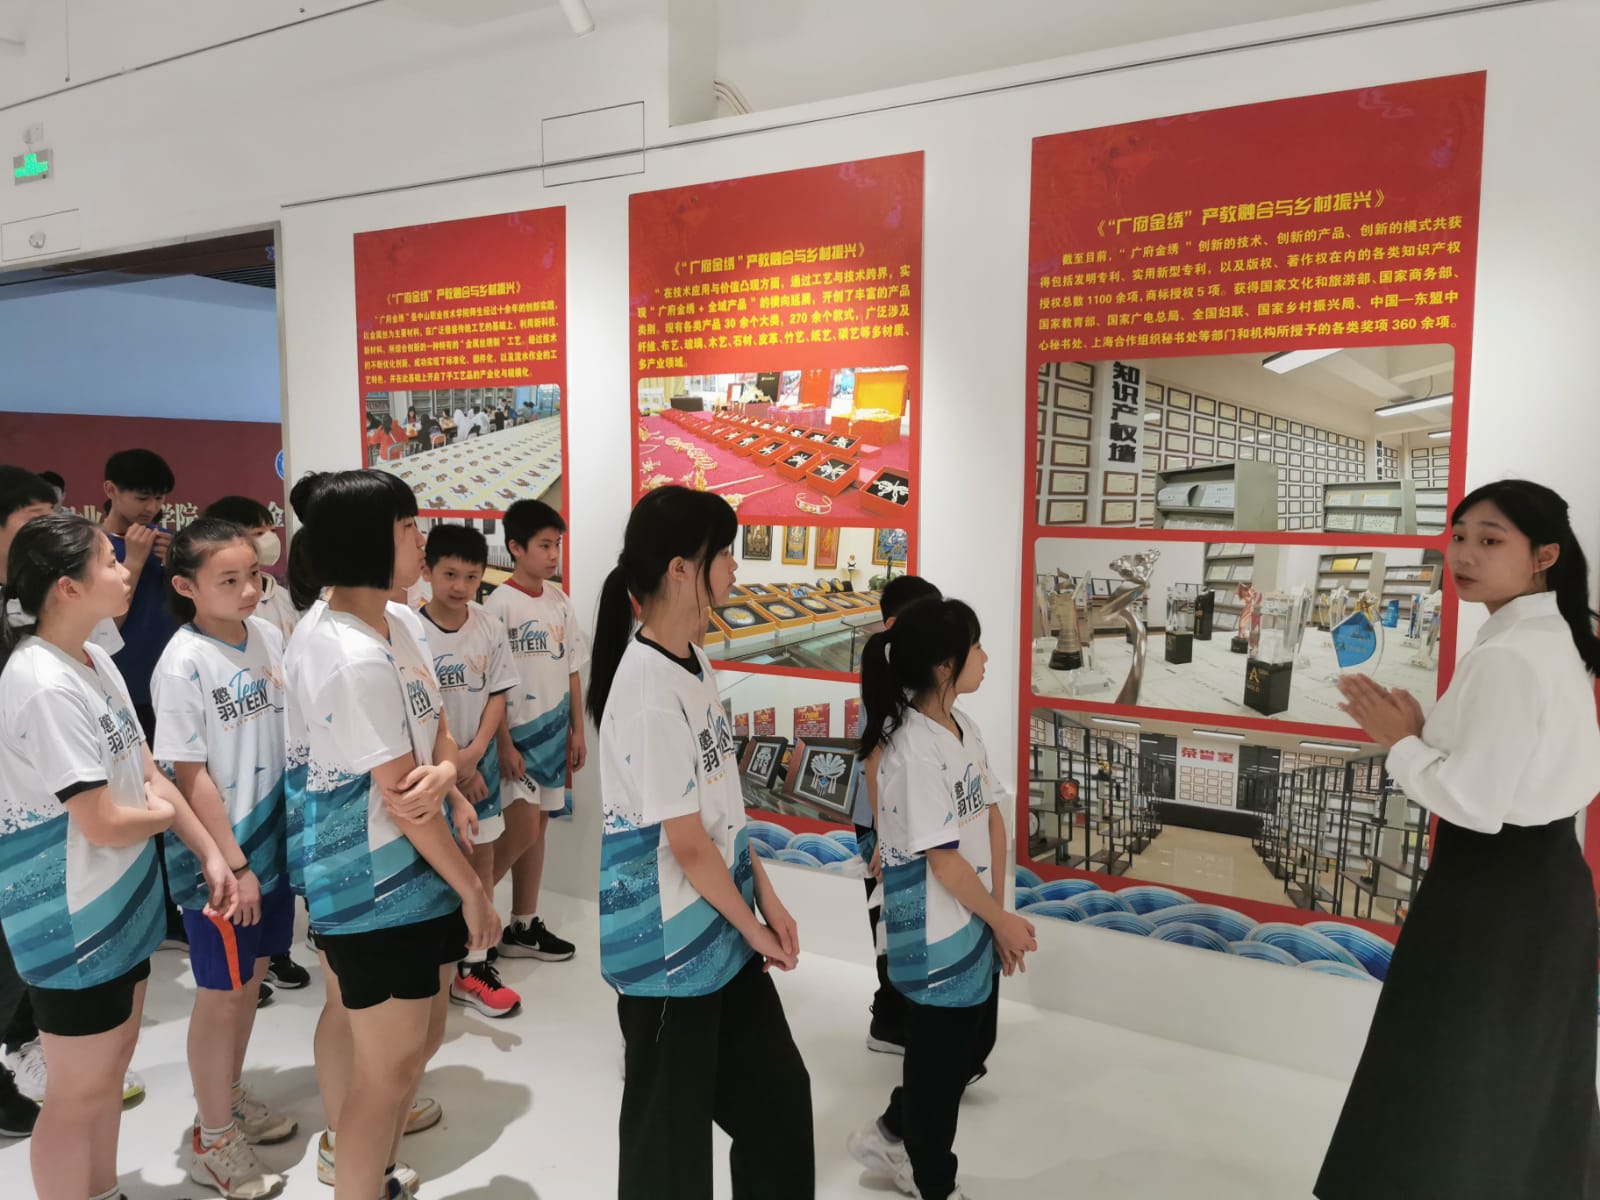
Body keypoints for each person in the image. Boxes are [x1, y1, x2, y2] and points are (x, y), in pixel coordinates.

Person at [1315, 479, 1600, 1200]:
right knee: (1521, 1078)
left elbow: (1475, 802)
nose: (1465, 555)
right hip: (1545, 883)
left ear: (1544, 556)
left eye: (1490, 540)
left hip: (1492, 893)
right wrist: (1424, 735)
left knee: (1450, 1074)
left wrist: (1401, 743)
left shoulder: (1508, 654)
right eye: (1459, 536)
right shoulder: (1547, 636)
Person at [0, 512, 238, 1200]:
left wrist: (209, 851)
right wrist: (165, 817)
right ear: (67, 588)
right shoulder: (41, 682)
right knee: (76, 1092)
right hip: (72, 918)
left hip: (123, 904)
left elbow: (149, 771)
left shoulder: (94, 657)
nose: (126, 570)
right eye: (108, 562)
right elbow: (104, 821)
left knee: (108, 1073)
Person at [590, 486, 812, 1200]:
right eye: (726, 556)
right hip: (670, 951)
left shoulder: (692, 661)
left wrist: (766, 901)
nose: (735, 570)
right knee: (669, 1152)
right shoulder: (647, 691)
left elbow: (723, 813)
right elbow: (686, 844)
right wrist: (754, 927)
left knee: (779, 1106)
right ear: (683, 569)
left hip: (722, 929)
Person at [288, 470, 497, 1200]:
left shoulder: (398, 621)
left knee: (416, 1046)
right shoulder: (343, 654)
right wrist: (475, 889)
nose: (421, 539)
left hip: (420, 866)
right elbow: (402, 799)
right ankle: (357, 1174)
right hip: (370, 878)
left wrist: (448, 778)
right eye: (409, 528)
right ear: (366, 542)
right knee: (384, 1072)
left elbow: (434, 721)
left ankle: (374, 1170)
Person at [846, 597, 1037, 1200]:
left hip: (972, 918)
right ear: (944, 666)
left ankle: (893, 1132)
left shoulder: (963, 728)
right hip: (935, 932)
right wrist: (997, 918)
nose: (986, 657)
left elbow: (993, 817)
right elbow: (943, 860)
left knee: (961, 1051)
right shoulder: (912, 750)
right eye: (975, 647)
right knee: (941, 1064)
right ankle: (932, 1179)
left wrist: (999, 912)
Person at [152, 519, 298, 1199]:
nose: (248, 590)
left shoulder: (266, 635)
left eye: (254, 576)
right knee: (221, 995)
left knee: (250, 982)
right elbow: (190, 777)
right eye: (229, 580)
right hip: (220, 862)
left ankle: (229, 1099)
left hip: (270, 848)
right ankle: (212, 1139)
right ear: (186, 587)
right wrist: (233, 865)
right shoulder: (182, 664)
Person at [418, 524, 522, 1018]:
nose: (460, 586)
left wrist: (476, 753)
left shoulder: (488, 627)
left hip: (479, 764)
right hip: (429, 768)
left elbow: (497, 694)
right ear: (427, 571)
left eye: (471, 576)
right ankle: (438, 961)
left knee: (482, 853)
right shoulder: (409, 631)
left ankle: (474, 965)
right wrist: (452, 767)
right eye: (450, 574)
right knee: (435, 863)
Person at [484, 500, 587, 962]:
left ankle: (523, 924)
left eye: (557, 545)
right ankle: (465, 918)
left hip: (553, 738)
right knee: (521, 828)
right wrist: (503, 743)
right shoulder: (498, 606)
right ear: (515, 548)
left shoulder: (560, 602)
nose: (553, 555)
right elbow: (491, 686)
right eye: (544, 545)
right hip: (516, 740)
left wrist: (577, 731)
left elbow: (572, 670)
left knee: (538, 828)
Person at [851, 574, 942, 1057]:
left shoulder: (906, 680)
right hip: (881, 826)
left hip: (895, 824)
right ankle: (889, 1024)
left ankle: (896, 1020)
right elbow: (874, 764)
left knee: (900, 922)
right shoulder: (888, 684)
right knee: (890, 924)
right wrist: (885, 841)